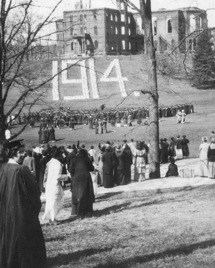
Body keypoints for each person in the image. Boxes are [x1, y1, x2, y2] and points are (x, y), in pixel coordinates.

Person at [0, 141, 46, 268]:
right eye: (20, 152)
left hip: (5, 214)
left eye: (23, 151)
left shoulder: (2, 168)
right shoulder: (21, 170)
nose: (23, 154)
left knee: (8, 240)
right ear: (12, 154)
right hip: (22, 214)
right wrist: (34, 210)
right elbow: (34, 193)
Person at [42, 147, 68, 222]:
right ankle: (53, 218)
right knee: (57, 202)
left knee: (51, 202)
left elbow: (45, 174)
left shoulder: (50, 162)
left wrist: (44, 183)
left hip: (49, 185)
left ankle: (51, 217)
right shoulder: (58, 164)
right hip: (54, 185)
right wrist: (67, 176)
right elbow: (57, 176)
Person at [69, 149, 95, 216]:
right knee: (87, 193)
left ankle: (75, 211)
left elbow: (70, 170)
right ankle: (87, 210)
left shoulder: (74, 159)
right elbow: (91, 168)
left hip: (76, 177)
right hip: (86, 177)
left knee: (76, 193)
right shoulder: (86, 159)